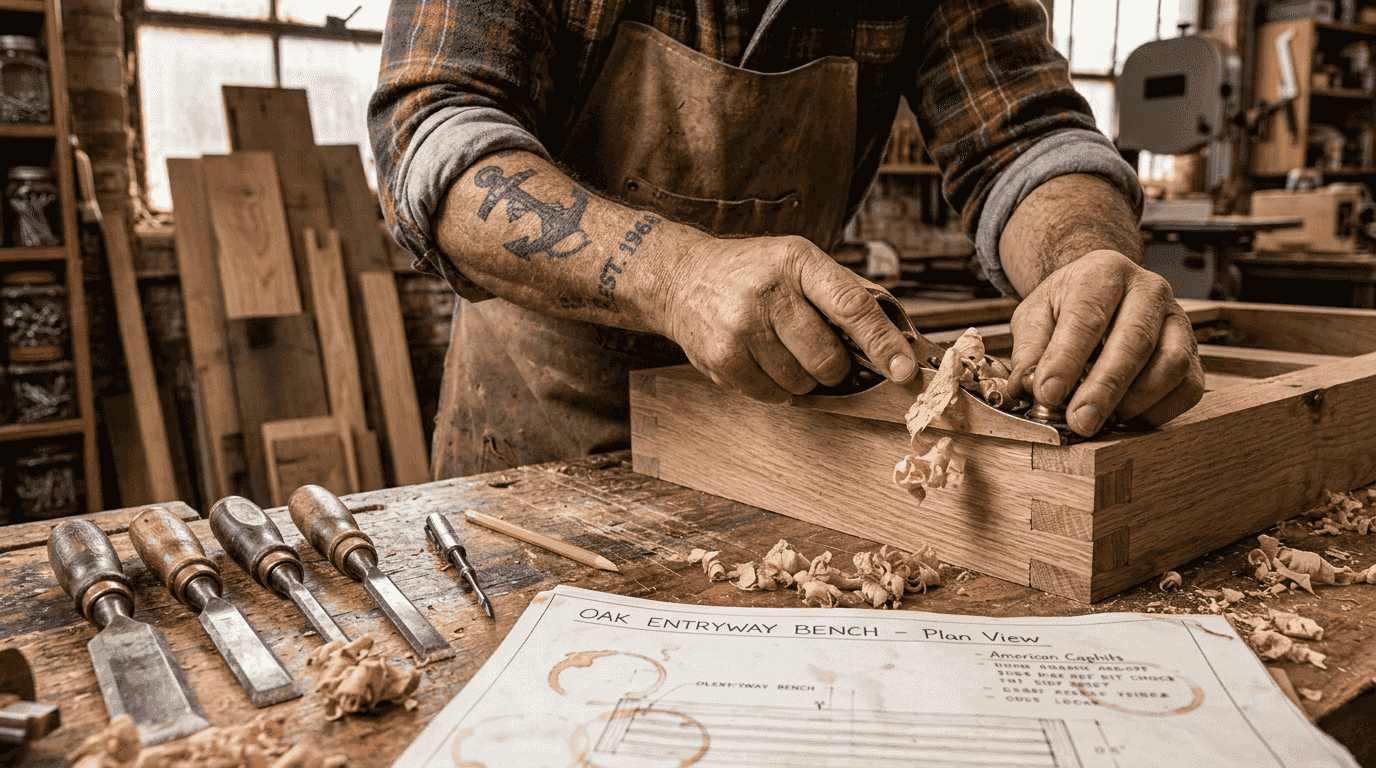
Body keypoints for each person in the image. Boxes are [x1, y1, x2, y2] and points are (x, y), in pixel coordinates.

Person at [369, 0, 1205, 480]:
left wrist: (1085, 260)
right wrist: (677, 275)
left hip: (794, 437)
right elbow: (432, 132)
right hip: (540, 434)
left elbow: (1024, 137)